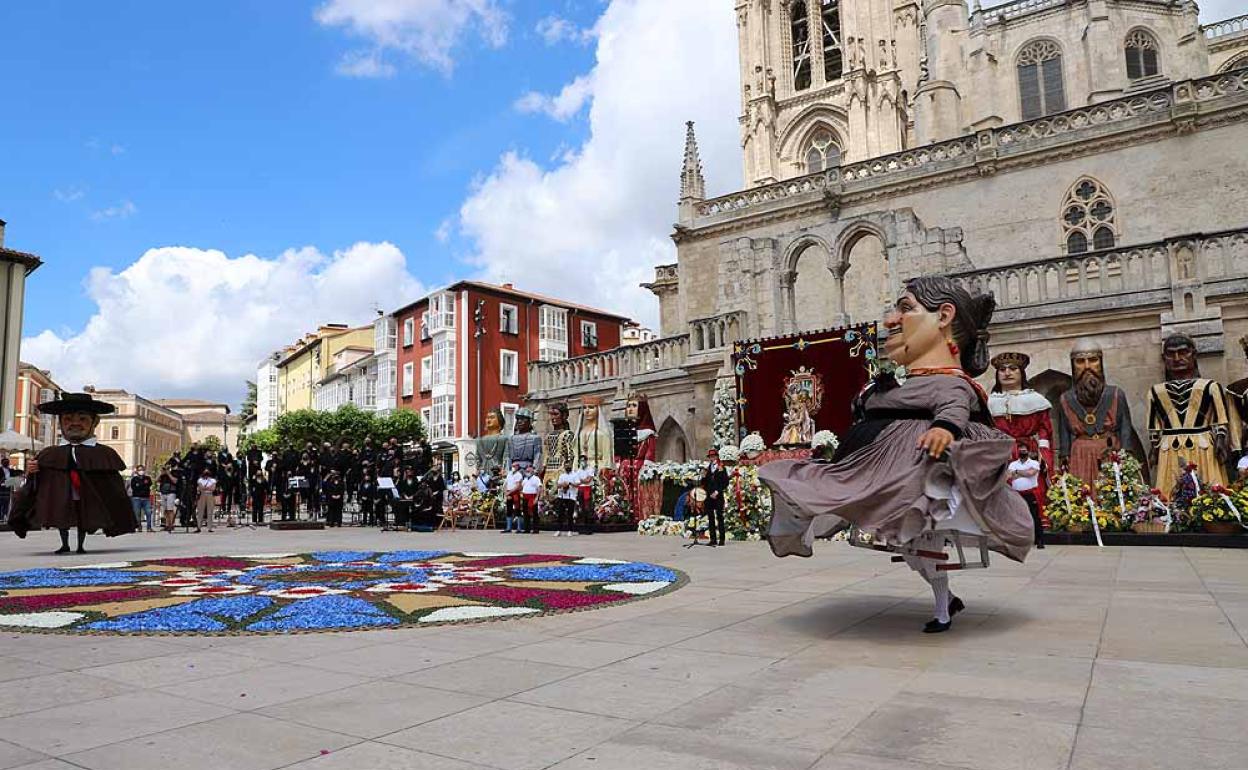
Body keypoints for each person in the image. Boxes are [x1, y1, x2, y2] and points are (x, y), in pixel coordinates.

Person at [760, 276, 1033, 634]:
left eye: (905, 308)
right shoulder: (902, 385)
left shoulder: (952, 383)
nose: (891, 320)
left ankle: (943, 609)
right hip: (877, 467)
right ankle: (945, 602)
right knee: (910, 548)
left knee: (919, 544)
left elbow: (954, 405)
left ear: (944, 316)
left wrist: (944, 429)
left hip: (918, 474)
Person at [9, 392, 137, 553]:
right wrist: (32, 471)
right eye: (68, 419)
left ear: (95, 422)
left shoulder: (105, 454)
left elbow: (113, 486)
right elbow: (35, 483)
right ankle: (65, 544)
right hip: (60, 496)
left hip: (86, 496)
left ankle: (81, 545)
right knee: (62, 517)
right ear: (61, 422)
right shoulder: (49, 453)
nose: (75, 423)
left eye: (83, 419)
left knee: (83, 516)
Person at [1147, 333, 1241, 491]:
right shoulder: (1155, 391)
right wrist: (1154, 449)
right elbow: (1154, 425)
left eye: (1183, 352)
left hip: (1203, 445)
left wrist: (1221, 440)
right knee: (1170, 493)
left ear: (1194, 354)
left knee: (1210, 491)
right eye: (1171, 354)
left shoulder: (1211, 386)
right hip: (1169, 448)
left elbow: (1220, 420)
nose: (1177, 358)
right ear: (1164, 358)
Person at [1056, 340, 1144, 485]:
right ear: (1073, 365)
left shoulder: (1116, 394)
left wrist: (1127, 455)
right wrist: (1064, 456)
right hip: (1080, 456)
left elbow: (1125, 428)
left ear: (1100, 363)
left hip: (1109, 452)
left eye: (1092, 360)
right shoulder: (1065, 399)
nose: (1087, 366)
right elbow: (1064, 432)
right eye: (1080, 361)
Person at [1007, 445, 1045, 548]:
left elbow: (1031, 473)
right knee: (1017, 518)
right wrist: (1023, 472)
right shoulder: (1013, 464)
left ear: (1028, 451)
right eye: (1020, 451)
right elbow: (1009, 476)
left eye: (1024, 450)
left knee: (1034, 517)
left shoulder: (1034, 463)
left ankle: (1039, 540)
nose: (1022, 452)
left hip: (1030, 494)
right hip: (1017, 494)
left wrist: (1017, 472)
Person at [701, 448, 730, 546]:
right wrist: (703, 476)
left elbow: (725, 482)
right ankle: (713, 539)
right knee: (710, 517)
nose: (712, 458)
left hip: (718, 495)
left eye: (713, 456)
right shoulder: (708, 468)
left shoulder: (722, 467)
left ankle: (722, 539)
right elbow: (704, 484)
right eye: (710, 457)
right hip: (709, 496)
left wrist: (717, 491)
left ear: (717, 457)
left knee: (720, 517)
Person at [477, 408, 510, 478]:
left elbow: (506, 457)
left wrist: (504, 470)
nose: (488, 420)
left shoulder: (504, 439)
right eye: (487, 418)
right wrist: (478, 471)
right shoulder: (479, 440)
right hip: (483, 474)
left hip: (497, 473)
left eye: (492, 418)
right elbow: (478, 459)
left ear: (499, 421)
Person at [555, 461, 579, 536]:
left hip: (571, 496)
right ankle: (559, 530)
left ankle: (570, 530)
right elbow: (558, 485)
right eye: (566, 465)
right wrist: (563, 484)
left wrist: (570, 483)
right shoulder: (562, 475)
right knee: (560, 514)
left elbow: (577, 484)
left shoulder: (575, 475)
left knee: (570, 514)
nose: (567, 467)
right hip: (562, 496)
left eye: (569, 465)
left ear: (571, 466)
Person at [129, 464, 154, 532]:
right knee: (137, 514)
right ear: (137, 471)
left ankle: (149, 527)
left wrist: (140, 486)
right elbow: (134, 488)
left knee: (148, 513)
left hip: (146, 498)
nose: (141, 471)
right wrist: (142, 486)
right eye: (139, 470)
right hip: (136, 499)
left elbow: (148, 486)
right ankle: (139, 526)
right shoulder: (134, 479)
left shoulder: (148, 478)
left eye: (142, 470)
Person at [576, 455, 596, 534]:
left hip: (587, 489)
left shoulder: (590, 469)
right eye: (581, 460)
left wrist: (582, 480)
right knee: (581, 508)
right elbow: (577, 480)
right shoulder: (579, 470)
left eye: (584, 460)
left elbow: (588, 480)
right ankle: (582, 527)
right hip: (580, 489)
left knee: (588, 508)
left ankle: (589, 528)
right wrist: (582, 480)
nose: (582, 462)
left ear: (586, 461)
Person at [520, 465, 542, 534]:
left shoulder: (536, 479)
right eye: (527, 471)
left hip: (532, 497)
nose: (528, 472)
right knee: (526, 513)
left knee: (534, 513)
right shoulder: (525, 479)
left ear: (532, 471)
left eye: (529, 471)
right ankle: (527, 528)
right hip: (525, 497)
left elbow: (539, 488)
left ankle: (536, 529)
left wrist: (536, 498)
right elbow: (522, 487)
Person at [158, 464, 180, 531]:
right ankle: (167, 524)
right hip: (163, 492)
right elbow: (156, 480)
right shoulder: (163, 475)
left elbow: (175, 481)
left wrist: (169, 474)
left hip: (171, 492)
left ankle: (172, 524)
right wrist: (161, 473)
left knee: (170, 509)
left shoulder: (174, 473)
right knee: (165, 510)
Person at [503, 461, 523, 533]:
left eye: (515, 466)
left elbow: (518, 486)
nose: (513, 467)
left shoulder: (519, 475)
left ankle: (519, 528)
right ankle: (508, 527)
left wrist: (510, 492)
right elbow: (505, 484)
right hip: (508, 493)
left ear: (517, 467)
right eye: (513, 466)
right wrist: (506, 493)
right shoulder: (509, 474)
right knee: (509, 510)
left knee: (517, 510)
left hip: (515, 493)